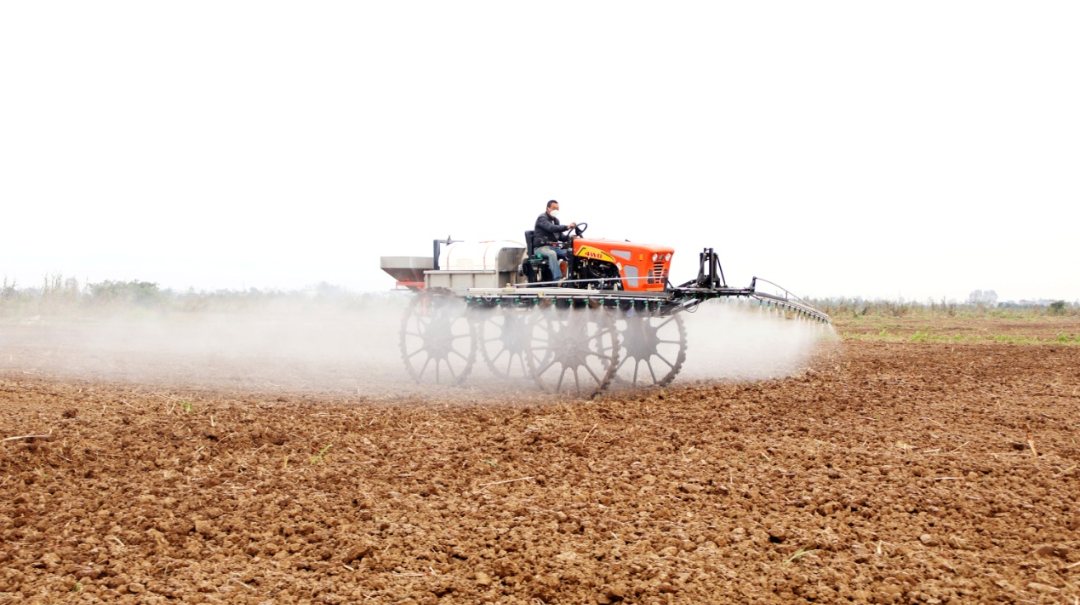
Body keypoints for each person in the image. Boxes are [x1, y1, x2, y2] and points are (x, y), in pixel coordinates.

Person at [533, 200, 576, 283]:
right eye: (554, 208)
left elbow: (560, 236)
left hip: (553, 247)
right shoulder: (542, 218)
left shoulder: (556, 221)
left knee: (570, 253)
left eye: (557, 208)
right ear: (547, 209)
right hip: (540, 248)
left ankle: (574, 277)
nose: (556, 210)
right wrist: (567, 227)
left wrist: (570, 237)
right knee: (552, 254)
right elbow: (551, 228)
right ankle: (558, 279)